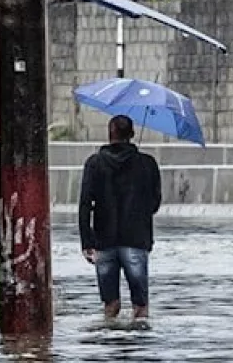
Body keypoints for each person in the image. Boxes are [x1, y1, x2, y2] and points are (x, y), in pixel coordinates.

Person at [78, 115, 163, 320]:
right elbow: (155, 203)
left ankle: (109, 343)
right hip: (136, 240)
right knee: (140, 307)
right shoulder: (147, 163)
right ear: (132, 135)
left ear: (110, 134)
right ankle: (138, 343)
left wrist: (87, 241)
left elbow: (84, 205)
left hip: (104, 241)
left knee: (110, 304)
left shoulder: (95, 163)